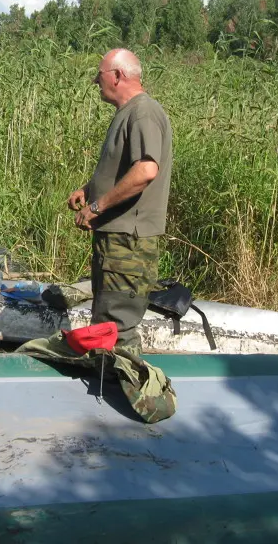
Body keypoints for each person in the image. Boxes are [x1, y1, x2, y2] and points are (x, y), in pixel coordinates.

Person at [67, 49, 172, 355]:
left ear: (117, 75)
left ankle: (140, 398)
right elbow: (126, 168)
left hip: (128, 242)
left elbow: (145, 170)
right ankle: (106, 384)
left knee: (117, 328)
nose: (94, 82)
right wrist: (90, 189)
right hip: (117, 241)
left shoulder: (143, 112)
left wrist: (97, 207)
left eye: (98, 76)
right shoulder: (128, 113)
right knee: (106, 323)